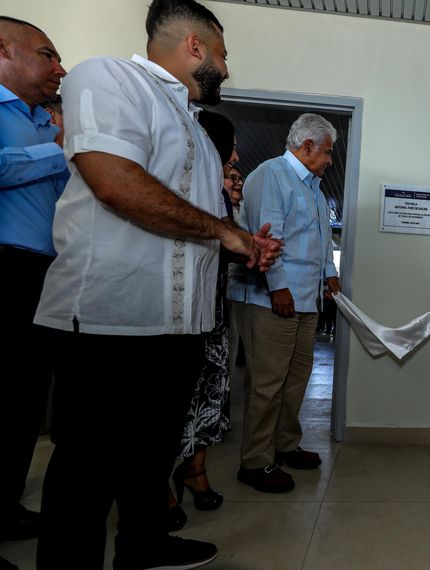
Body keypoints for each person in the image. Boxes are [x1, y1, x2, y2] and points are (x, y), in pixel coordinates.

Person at [32, 1, 280, 568]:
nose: (225, 67)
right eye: (222, 54)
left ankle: (144, 546)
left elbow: (196, 223)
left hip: (181, 326)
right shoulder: (109, 77)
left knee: (151, 456)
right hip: (110, 320)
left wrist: (242, 242)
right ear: (196, 46)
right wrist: (225, 232)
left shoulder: (194, 128)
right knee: (87, 470)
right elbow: (116, 183)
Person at [228, 113, 340, 493]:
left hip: (307, 300)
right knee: (267, 382)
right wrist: (278, 287)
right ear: (307, 146)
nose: (329, 160)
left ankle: (285, 445)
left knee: (296, 378)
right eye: (327, 152)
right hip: (271, 298)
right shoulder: (270, 176)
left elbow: (321, 240)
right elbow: (268, 239)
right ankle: (255, 461)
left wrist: (329, 274)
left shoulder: (316, 191)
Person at [0, 16, 67, 570]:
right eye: (47, 54)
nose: (59, 68)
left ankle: (4, 507)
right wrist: (62, 150)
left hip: (46, 274)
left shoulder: (42, 122)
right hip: (5, 269)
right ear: (4, 50)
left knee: (22, 404)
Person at [168, 110, 243, 530]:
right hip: (176, 307)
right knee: (173, 397)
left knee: (210, 389)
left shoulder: (219, 191)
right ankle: (157, 484)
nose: (235, 156)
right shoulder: (178, 181)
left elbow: (224, 242)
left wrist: (252, 247)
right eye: (230, 146)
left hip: (211, 307)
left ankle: (195, 470)